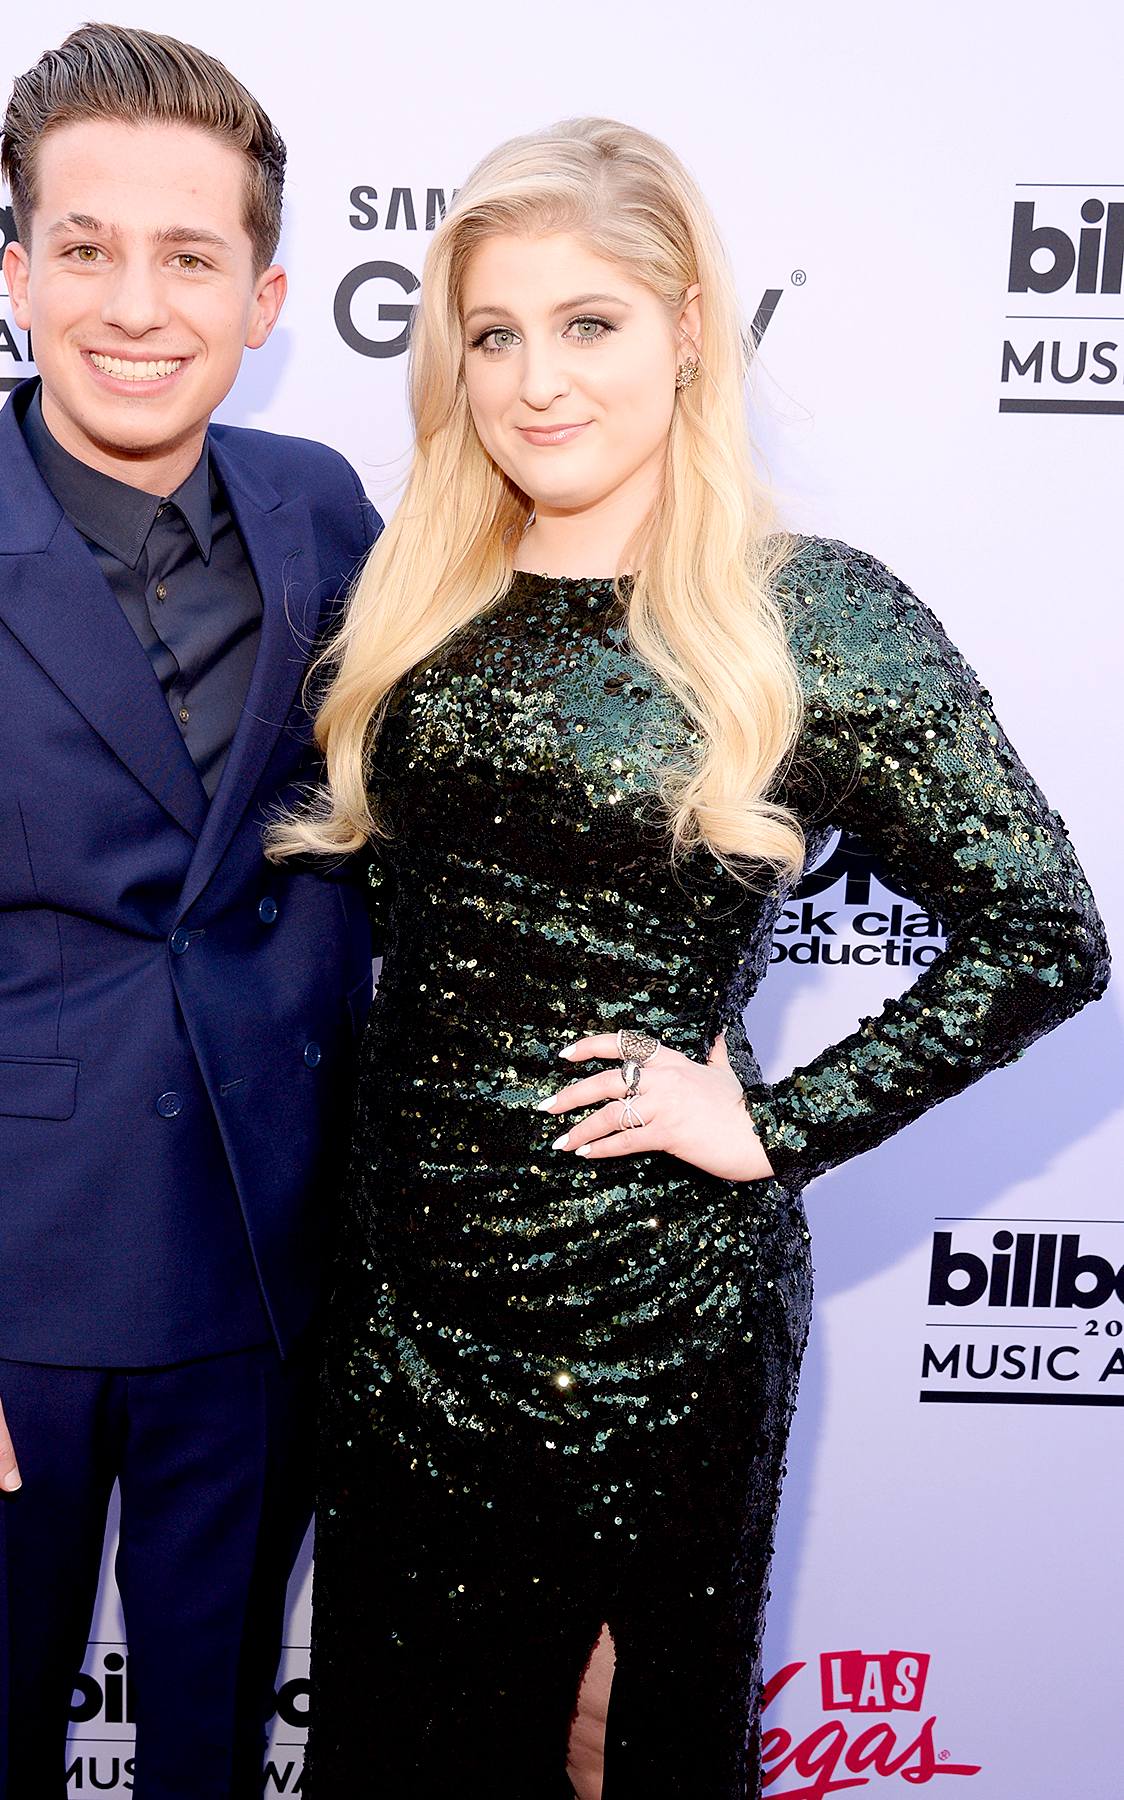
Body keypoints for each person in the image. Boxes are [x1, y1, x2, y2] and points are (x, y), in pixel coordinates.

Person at [268, 120, 1110, 1799]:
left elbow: (1047, 932)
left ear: (688, 329)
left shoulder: (807, 617)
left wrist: (776, 1125)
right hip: (402, 1305)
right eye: (494, 334)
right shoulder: (413, 596)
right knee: (393, 1755)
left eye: (588, 323)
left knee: (617, 1749)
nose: (536, 381)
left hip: (650, 1317)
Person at [0, 25, 378, 1800]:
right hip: (2, 1304)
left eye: (190, 256)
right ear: (18, 273)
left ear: (263, 299)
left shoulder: (326, 512)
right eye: (87, 249)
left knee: (217, 1742)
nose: (136, 305)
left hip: (264, 1287)